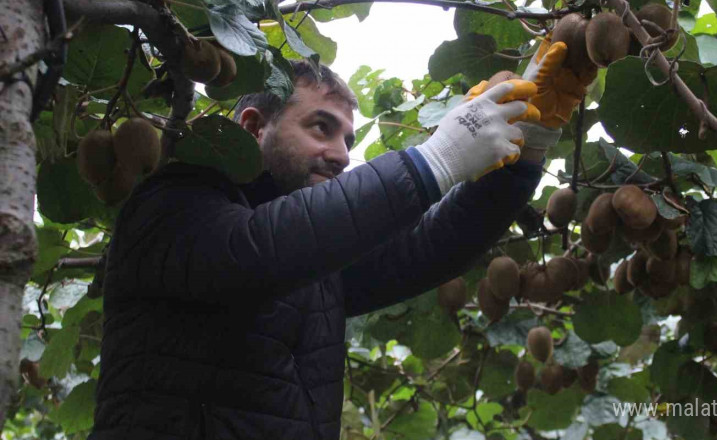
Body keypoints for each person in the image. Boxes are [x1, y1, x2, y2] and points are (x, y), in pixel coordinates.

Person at [88, 36, 589, 440]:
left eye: (348, 139)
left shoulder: (316, 266)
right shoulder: (171, 202)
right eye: (320, 128)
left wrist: (527, 150)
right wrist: (434, 161)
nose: (342, 154)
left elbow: (430, 248)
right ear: (253, 126)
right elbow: (256, 250)